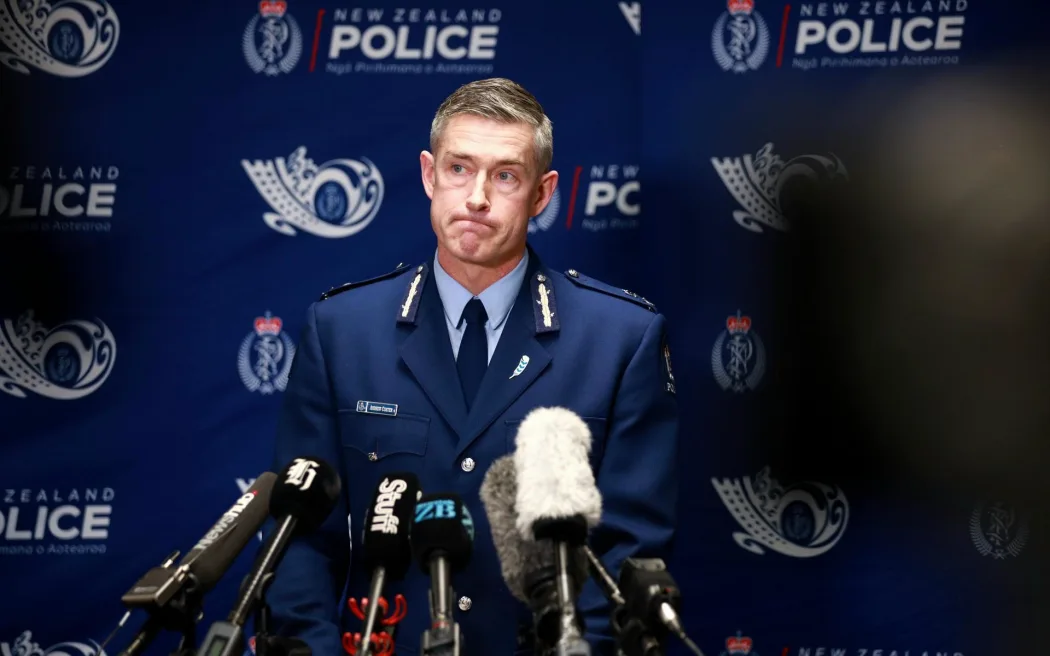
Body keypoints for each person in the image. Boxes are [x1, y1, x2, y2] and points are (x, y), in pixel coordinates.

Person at [267, 77, 679, 655]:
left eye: (505, 175)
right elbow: (301, 545)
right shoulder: (341, 330)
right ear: (429, 175)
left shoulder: (621, 340)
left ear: (542, 193)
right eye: (459, 168)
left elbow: (628, 556)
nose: (477, 196)